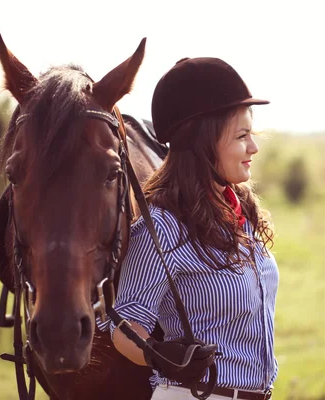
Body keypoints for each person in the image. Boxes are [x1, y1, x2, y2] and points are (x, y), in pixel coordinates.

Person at [107, 57, 279, 400]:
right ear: (204, 142)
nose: (253, 147)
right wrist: (159, 355)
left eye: (252, 134)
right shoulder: (164, 227)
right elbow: (124, 324)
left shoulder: (239, 212)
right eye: (242, 136)